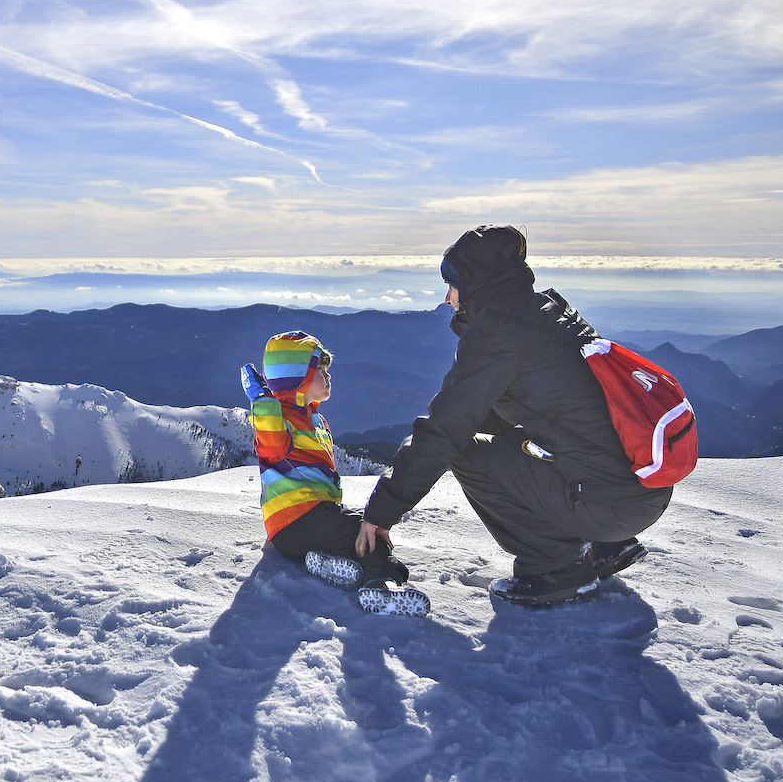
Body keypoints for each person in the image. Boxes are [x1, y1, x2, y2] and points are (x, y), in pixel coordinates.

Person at [356, 224, 670, 606]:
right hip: (635, 490)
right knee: (500, 435)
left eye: (452, 284)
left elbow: (443, 432)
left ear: (474, 283)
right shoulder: (546, 311)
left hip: (611, 502)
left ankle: (555, 567)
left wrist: (381, 513)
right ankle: (605, 545)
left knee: (463, 452)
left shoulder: (498, 334)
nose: (446, 297)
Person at [243, 331, 424, 613]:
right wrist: (264, 403)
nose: (328, 377)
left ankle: (330, 563)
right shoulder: (280, 417)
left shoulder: (314, 418)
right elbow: (273, 448)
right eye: (320, 371)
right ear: (298, 378)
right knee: (369, 531)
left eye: (328, 370)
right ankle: (383, 583)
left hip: (295, 531)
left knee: (349, 535)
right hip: (300, 519)